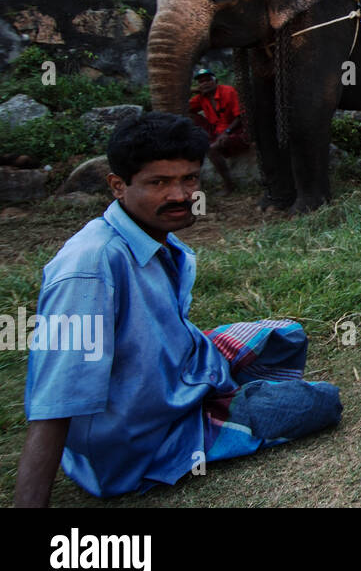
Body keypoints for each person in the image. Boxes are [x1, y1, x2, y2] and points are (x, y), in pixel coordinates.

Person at [14, 113, 341, 506]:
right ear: (118, 186)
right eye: (159, 183)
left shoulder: (148, 236)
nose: (181, 195)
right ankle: (221, 415)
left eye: (189, 179)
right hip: (150, 436)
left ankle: (229, 391)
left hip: (177, 374)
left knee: (286, 334)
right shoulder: (89, 267)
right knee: (322, 400)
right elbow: (56, 397)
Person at [188, 68, 248, 194]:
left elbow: (240, 117)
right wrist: (193, 91)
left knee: (212, 149)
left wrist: (227, 132)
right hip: (216, 131)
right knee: (189, 116)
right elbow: (184, 106)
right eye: (201, 82)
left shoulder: (228, 91)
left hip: (236, 130)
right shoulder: (201, 98)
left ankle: (229, 185)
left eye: (208, 80)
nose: (205, 83)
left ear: (216, 81)